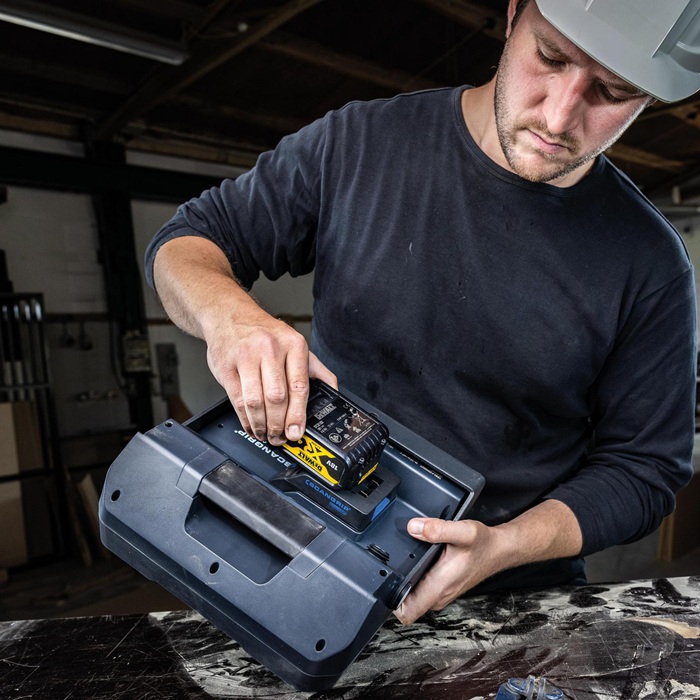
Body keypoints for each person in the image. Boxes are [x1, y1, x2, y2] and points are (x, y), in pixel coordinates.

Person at [145, 0, 699, 625]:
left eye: (612, 92)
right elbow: (186, 243)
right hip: (309, 550)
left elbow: (644, 470)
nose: (559, 115)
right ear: (513, 15)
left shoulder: (650, 262)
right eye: (549, 57)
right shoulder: (358, 144)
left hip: (508, 597)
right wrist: (230, 319)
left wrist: (507, 545)